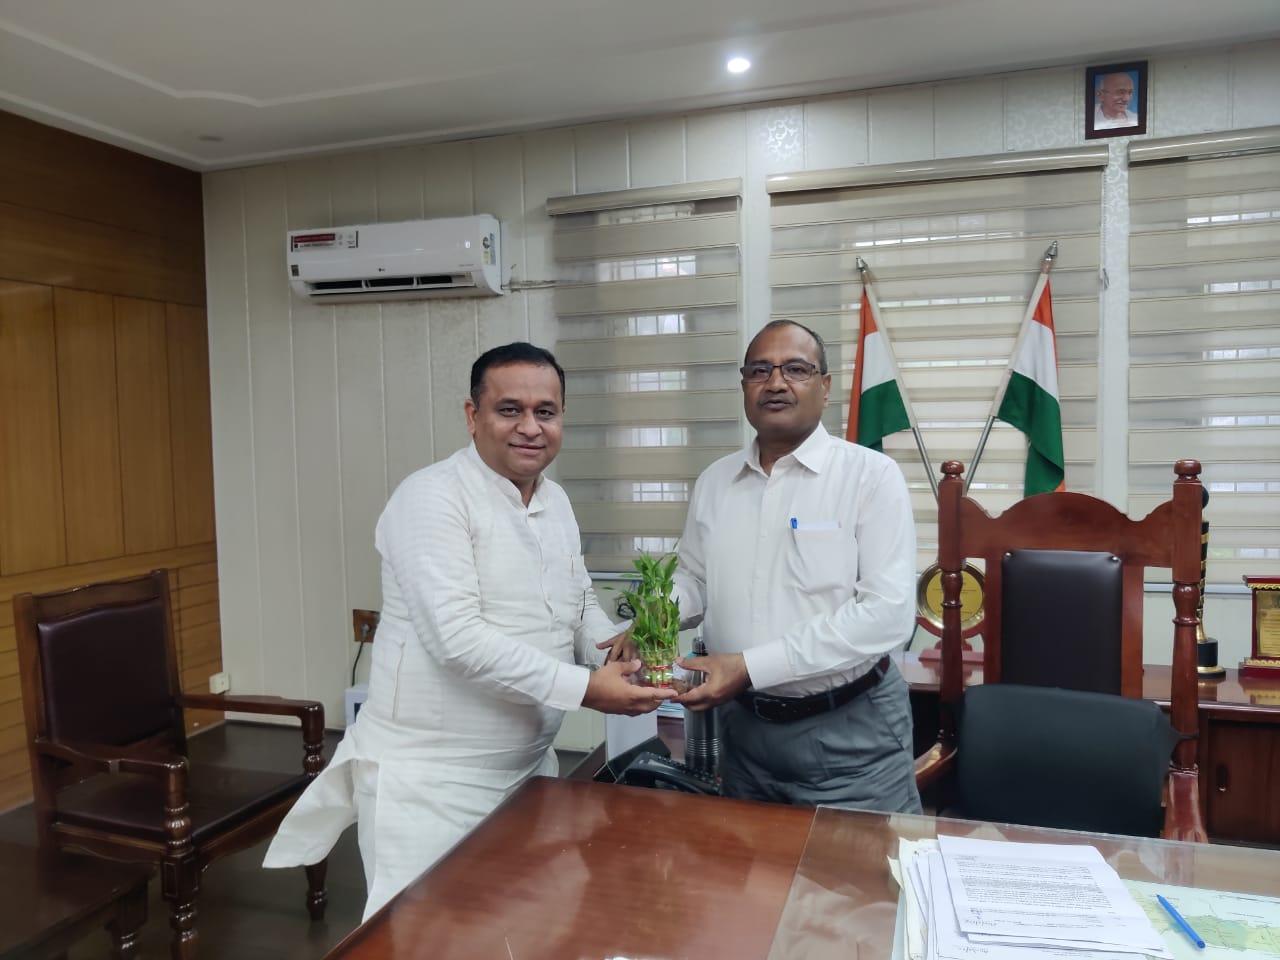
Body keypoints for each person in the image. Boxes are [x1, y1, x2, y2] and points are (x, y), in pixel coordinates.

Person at [264, 342, 673, 919]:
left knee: (525, 934)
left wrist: (618, 655)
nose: (529, 427)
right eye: (509, 410)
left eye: (546, 411)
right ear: (472, 415)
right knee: (428, 939)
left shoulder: (555, 501)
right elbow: (457, 643)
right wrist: (588, 689)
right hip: (433, 787)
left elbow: (579, 604)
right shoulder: (431, 498)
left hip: (530, 774)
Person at [672, 320, 921, 813]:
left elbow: (887, 615)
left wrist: (749, 667)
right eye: (759, 370)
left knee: (859, 865)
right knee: (748, 862)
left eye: (796, 370)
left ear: (824, 387)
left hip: (850, 735)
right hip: (744, 734)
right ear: (744, 386)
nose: (776, 382)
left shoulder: (871, 476)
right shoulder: (716, 481)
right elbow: (693, 580)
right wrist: (651, 616)